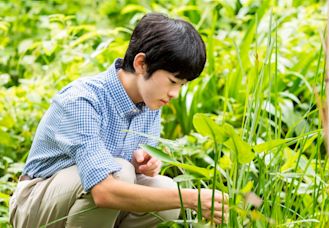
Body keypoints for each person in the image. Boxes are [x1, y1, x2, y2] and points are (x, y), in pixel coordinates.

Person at [9, 13, 228, 228]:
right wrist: (191, 199)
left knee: (163, 187)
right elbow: (104, 192)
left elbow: (132, 174)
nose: (175, 93)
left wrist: (144, 166)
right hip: (34, 208)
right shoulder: (83, 100)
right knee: (120, 173)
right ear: (141, 63)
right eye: (172, 81)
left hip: (90, 205)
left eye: (182, 85)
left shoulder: (151, 101)